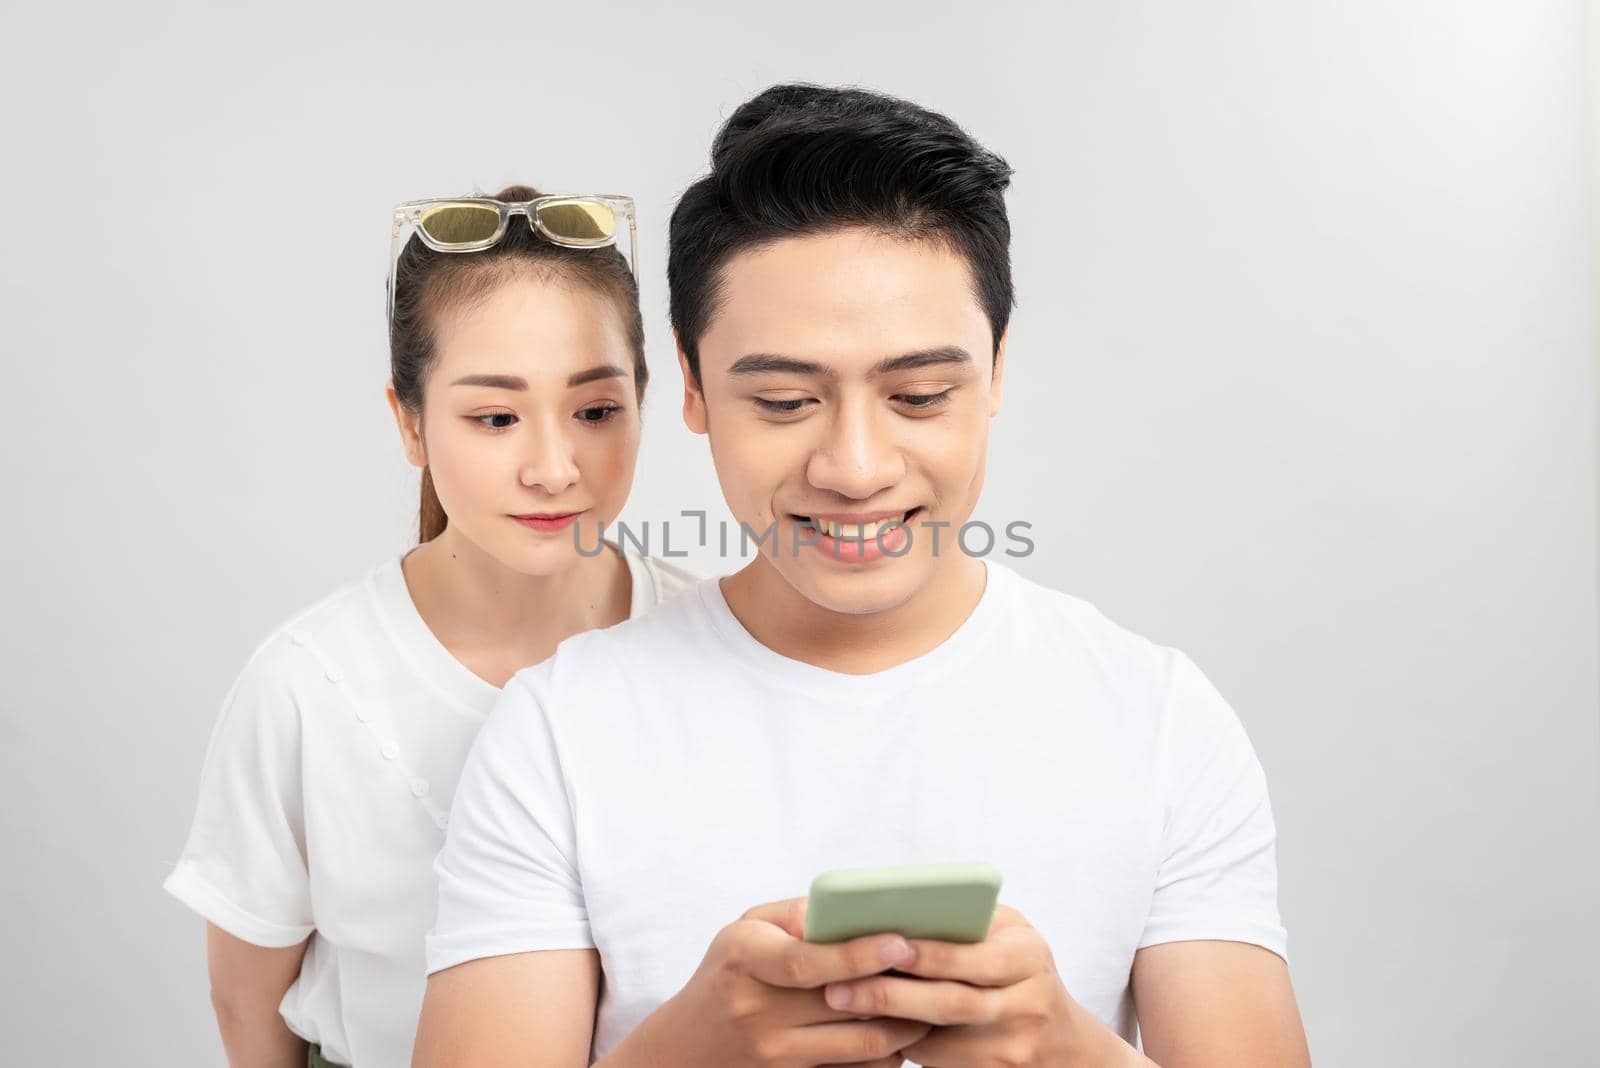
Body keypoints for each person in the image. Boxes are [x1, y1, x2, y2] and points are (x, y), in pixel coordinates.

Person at [414, 89, 1312, 1068]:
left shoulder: (1157, 721)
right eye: (787, 399)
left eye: (919, 395)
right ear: (695, 388)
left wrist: (1062, 1052)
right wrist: (689, 1050)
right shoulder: (560, 731)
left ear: (997, 371)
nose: (854, 467)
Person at [163, 184, 696, 1068]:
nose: (554, 468)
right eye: (494, 417)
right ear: (409, 421)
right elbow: (246, 1001)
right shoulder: (309, 686)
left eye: (596, 411)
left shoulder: (714, 639)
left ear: (645, 398)